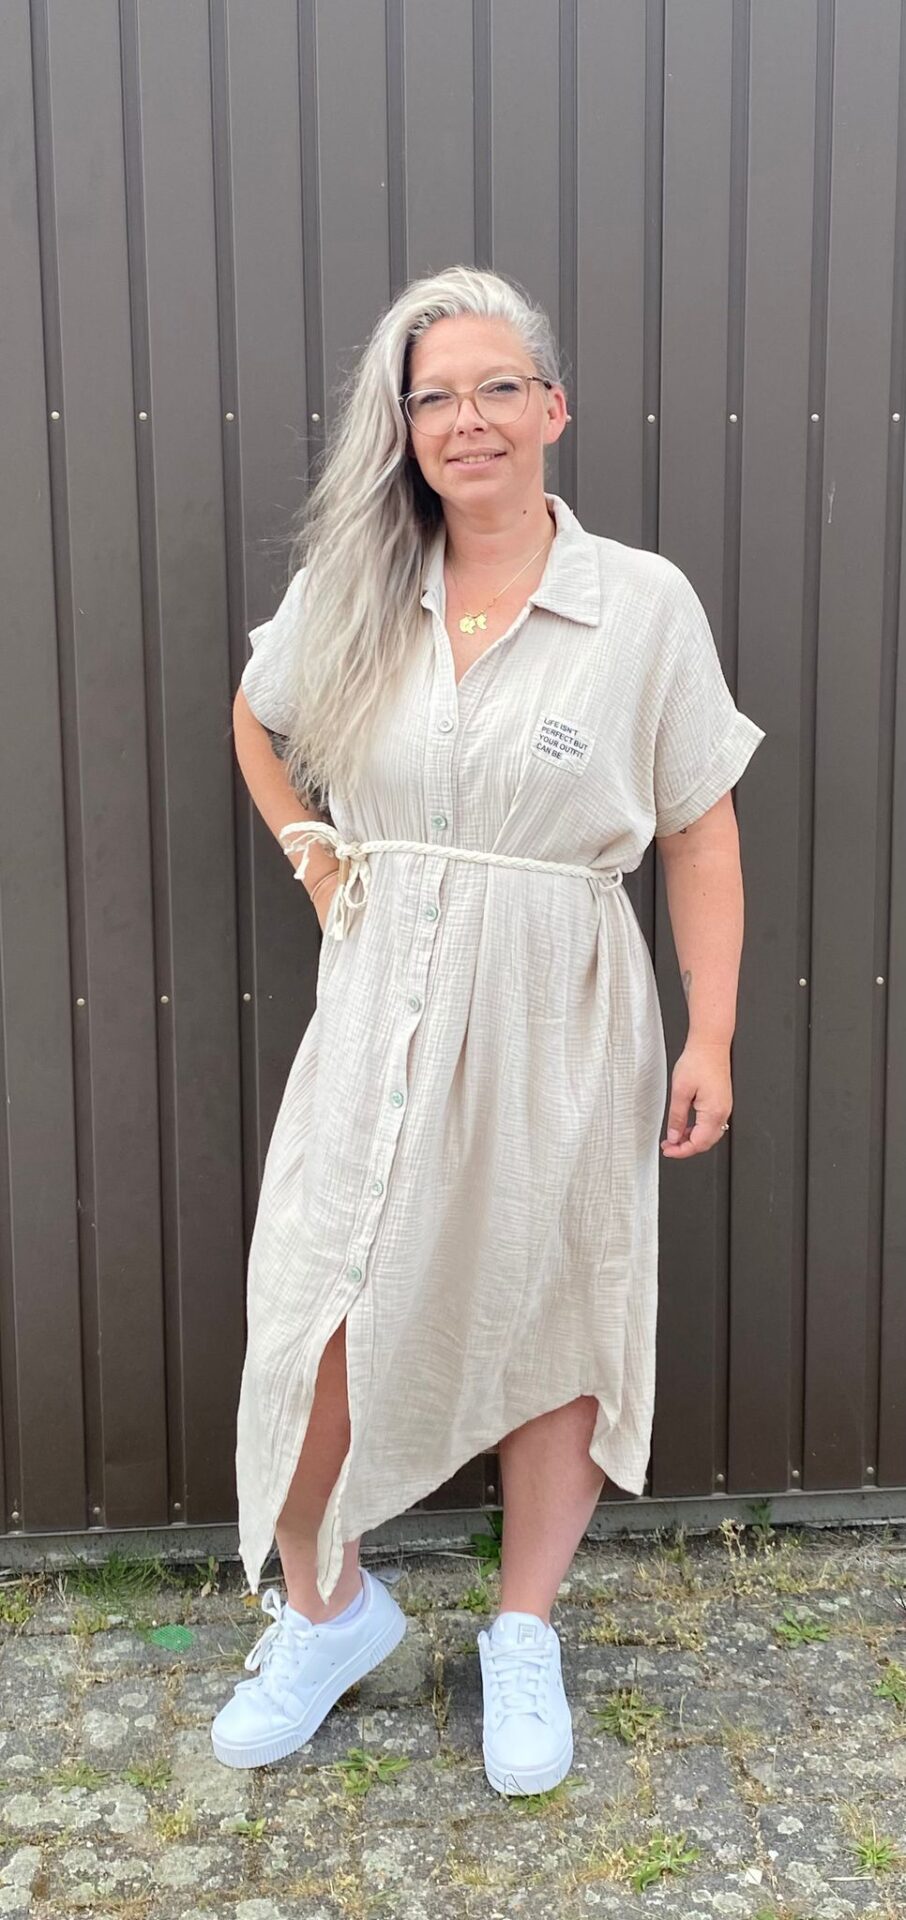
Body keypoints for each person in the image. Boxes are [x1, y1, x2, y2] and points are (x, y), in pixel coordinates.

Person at [212, 265, 765, 1793]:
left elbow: (698, 830)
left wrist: (710, 1033)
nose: (467, 419)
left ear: (551, 408)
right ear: (403, 428)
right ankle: (327, 1610)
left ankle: (523, 1629)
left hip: (562, 1000)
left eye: (496, 388)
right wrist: (313, 851)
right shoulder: (356, 586)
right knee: (316, 1304)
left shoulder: (639, 604)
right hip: (378, 1001)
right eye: (435, 397)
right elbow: (260, 711)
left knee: (554, 1303)